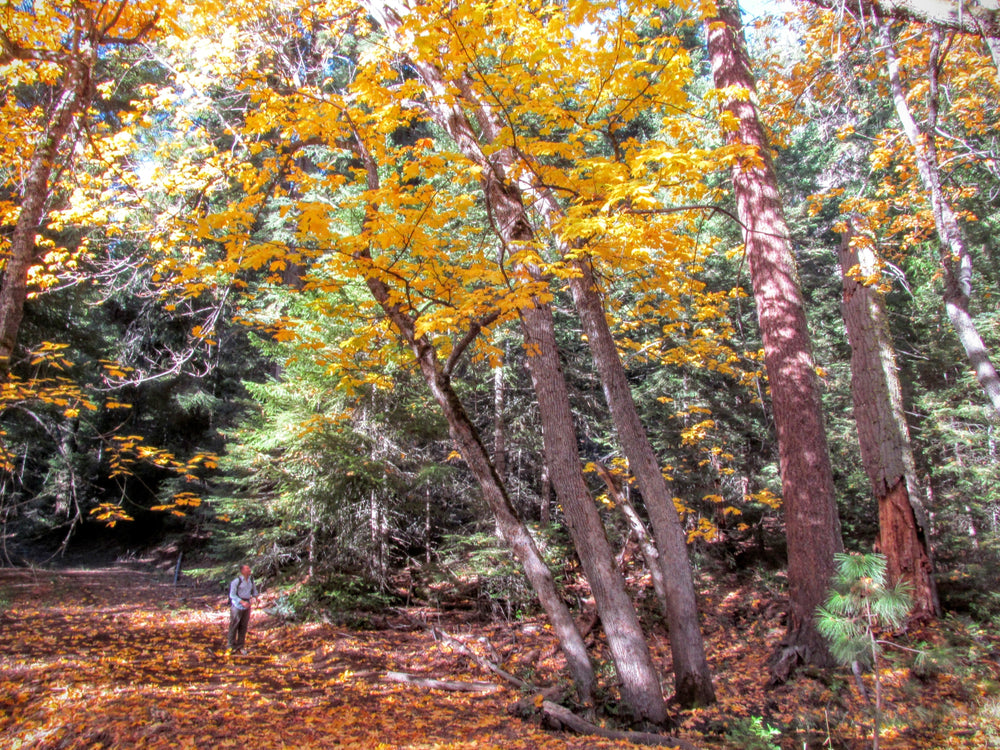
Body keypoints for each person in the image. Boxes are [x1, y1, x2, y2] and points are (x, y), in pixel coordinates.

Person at [226, 564, 259, 653]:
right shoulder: (236, 581)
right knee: (234, 625)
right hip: (237, 605)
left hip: (247, 605)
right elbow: (232, 595)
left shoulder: (251, 580)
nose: (249, 570)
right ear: (242, 571)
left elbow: (254, 590)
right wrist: (242, 602)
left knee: (243, 626)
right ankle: (230, 646)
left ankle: (240, 646)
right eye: (247, 568)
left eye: (249, 568)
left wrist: (256, 598)